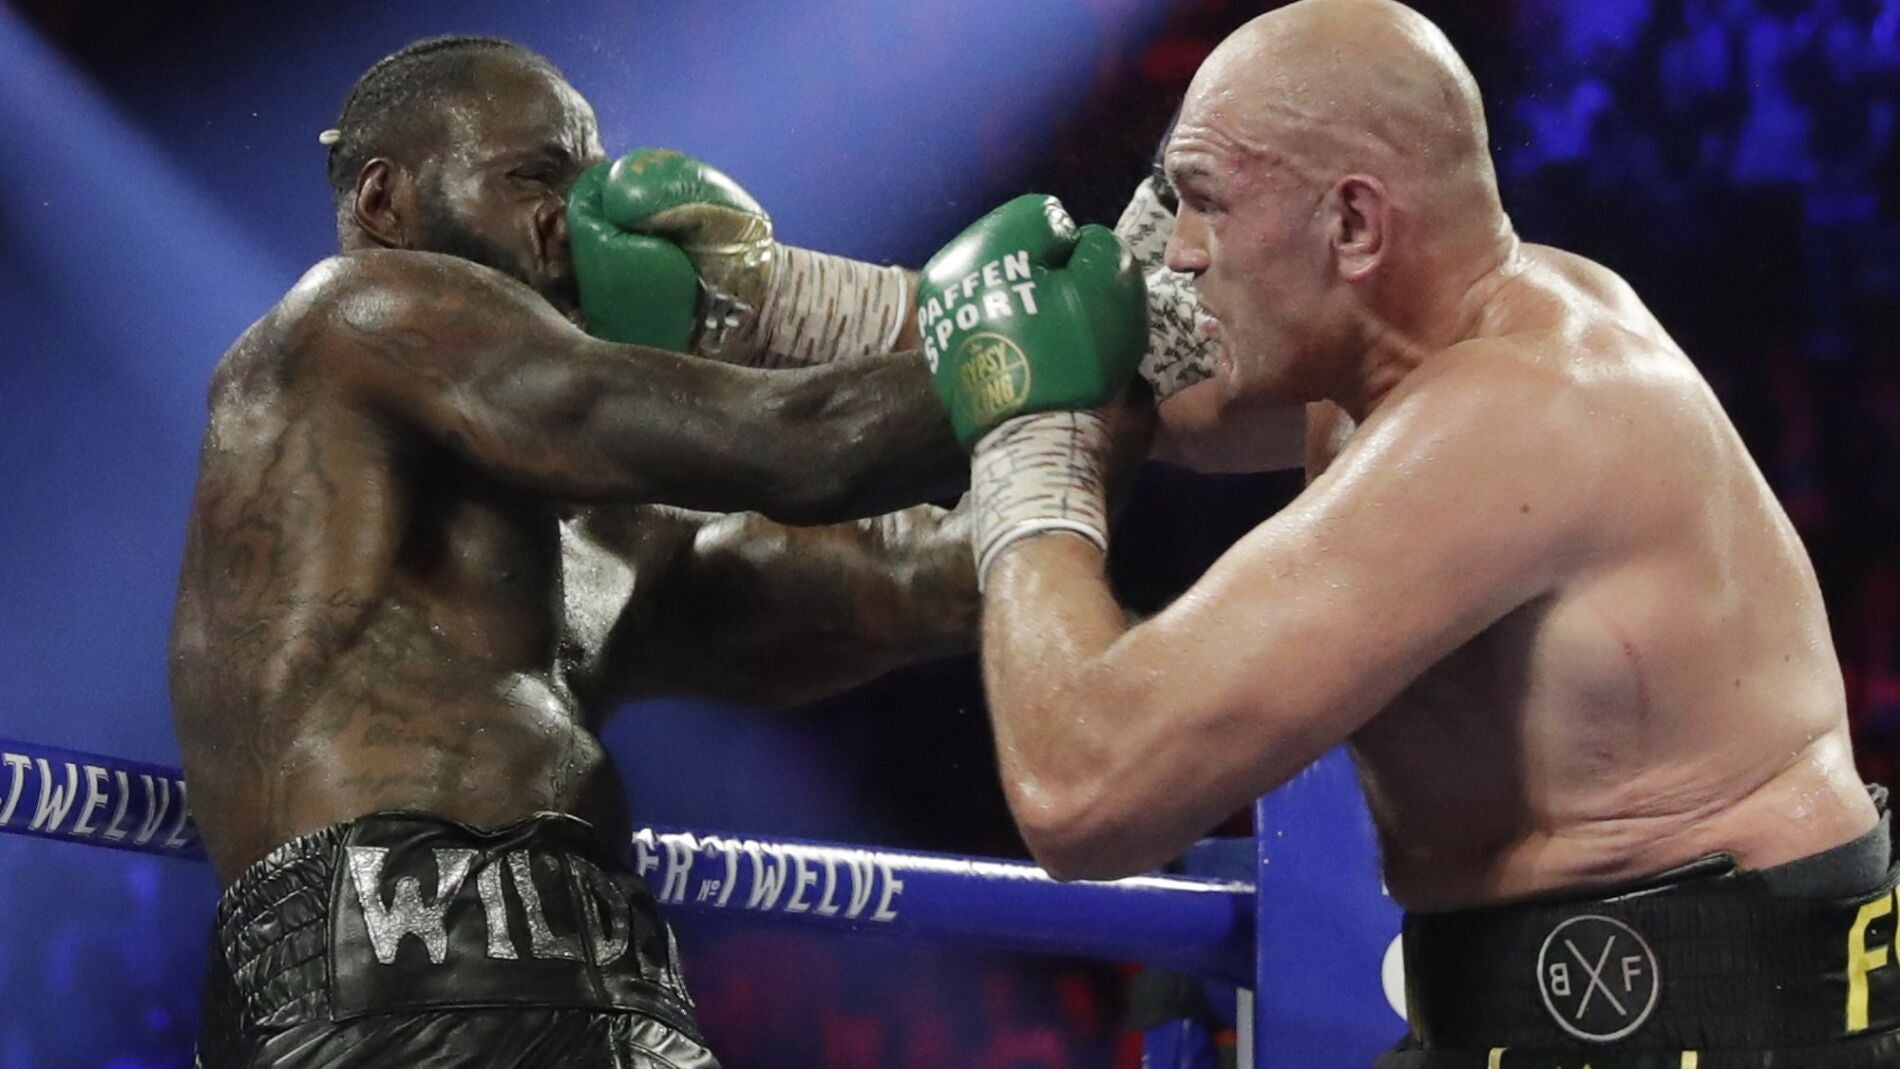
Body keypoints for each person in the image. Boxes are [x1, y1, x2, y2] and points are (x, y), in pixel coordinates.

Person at [921, 0, 1900, 1064]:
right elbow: (1130, 388)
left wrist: (1027, 446)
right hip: (1550, 1014)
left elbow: (1082, 789)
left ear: (1352, 225)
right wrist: (839, 309)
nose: (1180, 250)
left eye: (1205, 203)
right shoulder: (1404, 350)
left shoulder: (1519, 412)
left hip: (1716, 1025)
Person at [164, 34, 1062, 1068]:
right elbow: (795, 444)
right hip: (384, 977)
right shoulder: (351, 315)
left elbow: (948, 575)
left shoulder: (606, 530)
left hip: (613, 986)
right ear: (384, 203)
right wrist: (1016, 333)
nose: (583, 222)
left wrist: (1126, 377)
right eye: (535, 178)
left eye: (591, 186)